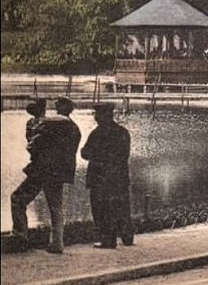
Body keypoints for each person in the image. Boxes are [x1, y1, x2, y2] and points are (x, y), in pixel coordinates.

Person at [10, 97, 79, 254]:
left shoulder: (50, 123)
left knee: (17, 199)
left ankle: (20, 236)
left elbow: (32, 145)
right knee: (56, 207)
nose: (54, 106)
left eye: (57, 104)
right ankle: (57, 243)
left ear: (61, 107)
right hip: (58, 173)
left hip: (41, 171)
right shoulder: (74, 128)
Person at [81, 103, 134, 249]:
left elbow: (85, 153)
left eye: (97, 114)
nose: (95, 117)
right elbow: (124, 155)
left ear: (103, 116)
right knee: (122, 206)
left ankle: (108, 240)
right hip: (119, 178)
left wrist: (95, 156)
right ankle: (127, 237)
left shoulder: (97, 133)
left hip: (100, 178)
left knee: (102, 210)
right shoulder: (122, 132)